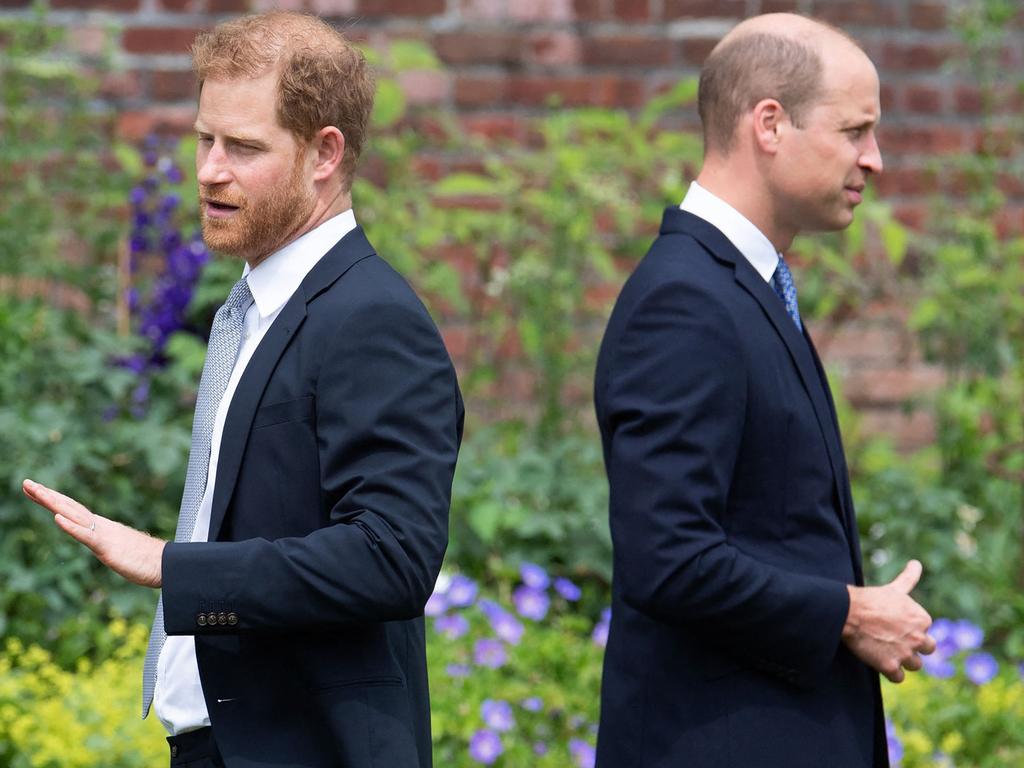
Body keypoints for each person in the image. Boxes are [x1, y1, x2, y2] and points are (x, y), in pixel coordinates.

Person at [23, 11, 463, 768]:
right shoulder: (256, 307)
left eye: (244, 147)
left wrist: (174, 566)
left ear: (325, 152)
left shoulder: (372, 317)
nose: (208, 170)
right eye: (205, 138)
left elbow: (393, 555)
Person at [593, 13, 935, 768]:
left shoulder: (742, 287)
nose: (874, 160)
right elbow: (668, 557)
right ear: (770, 124)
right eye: (855, 131)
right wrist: (846, 614)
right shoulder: (684, 302)